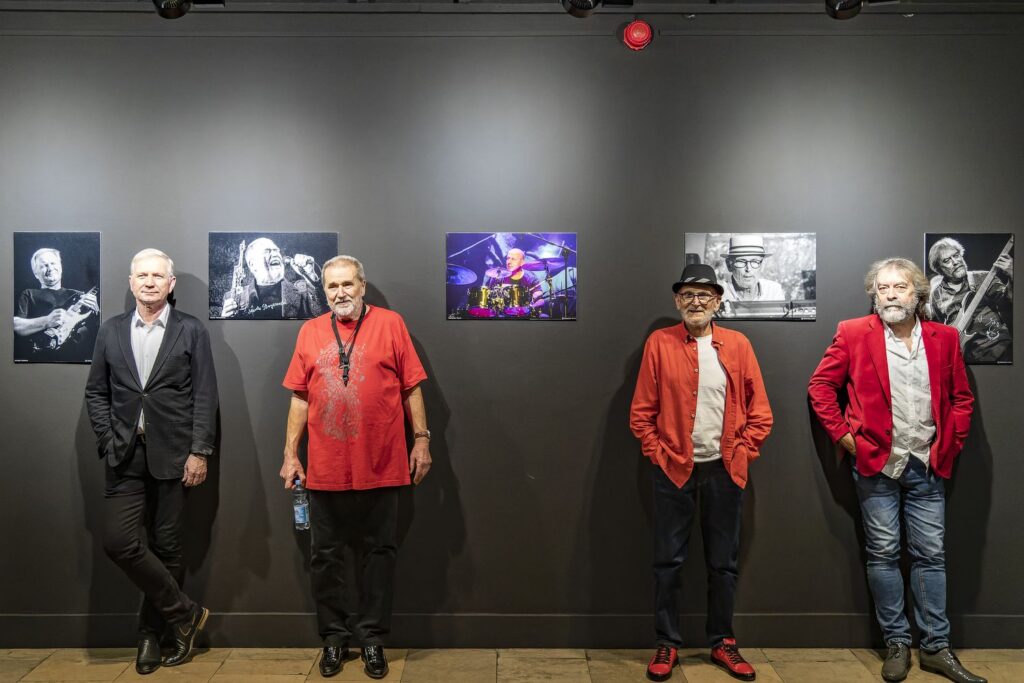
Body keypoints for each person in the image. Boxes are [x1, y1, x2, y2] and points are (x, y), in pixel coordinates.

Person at [808, 258, 983, 683]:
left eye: (899, 287)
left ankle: (937, 647)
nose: (889, 295)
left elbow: (961, 399)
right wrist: (845, 438)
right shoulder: (853, 333)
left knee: (931, 556)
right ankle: (897, 643)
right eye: (882, 288)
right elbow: (820, 387)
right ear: (874, 295)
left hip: (928, 464)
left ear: (917, 293)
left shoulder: (945, 337)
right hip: (875, 465)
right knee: (883, 554)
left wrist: (952, 443)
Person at [279, 255, 431, 679]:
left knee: (379, 555)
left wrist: (421, 439)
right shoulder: (310, 331)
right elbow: (299, 396)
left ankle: (372, 639)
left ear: (362, 285)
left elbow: (411, 386)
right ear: (324, 291)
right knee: (324, 557)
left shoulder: (391, 324)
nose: (341, 292)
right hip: (325, 467)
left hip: (382, 462)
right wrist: (291, 453)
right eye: (332, 286)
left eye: (348, 284)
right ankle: (333, 638)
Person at [630, 263, 772, 682]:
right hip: (673, 469)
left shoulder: (738, 344)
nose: (696, 302)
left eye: (704, 295)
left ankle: (723, 642)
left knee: (723, 564)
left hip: (725, 470)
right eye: (688, 295)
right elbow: (641, 413)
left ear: (717, 301)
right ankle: (667, 642)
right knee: (667, 562)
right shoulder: (659, 343)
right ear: (678, 301)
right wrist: (658, 453)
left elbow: (761, 412)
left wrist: (744, 452)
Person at [84, 248, 218, 675]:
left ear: (170, 283)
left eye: (157, 276)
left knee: (168, 548)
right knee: (118, 541)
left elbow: (205, 395)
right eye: (141, 275)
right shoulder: (111, 330)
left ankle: (150, 636)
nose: (149, 282)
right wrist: (107, 437)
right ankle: (185, 613)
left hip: (175, 454)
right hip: (124, 453)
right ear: (131, 282)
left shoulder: (190, 330)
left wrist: (199, 451)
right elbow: (96, 391)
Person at [926, 237, 1012, 363]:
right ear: (939, 269)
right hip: (966, 359)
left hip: (999, 349)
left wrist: (1012, 275)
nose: (955, 262)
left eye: (956, 255)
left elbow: (1009, 302)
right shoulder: (936, 295)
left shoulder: (983, 277)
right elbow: (939, 329)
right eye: (947, 260)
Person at [13, 247, 99, 360]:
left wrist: (97, 312)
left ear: (61, 267)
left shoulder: (79, 295)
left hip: (76, 360)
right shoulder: (28, 294)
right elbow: (15, 325)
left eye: (53, 263)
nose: (50, 268)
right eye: (43, 266)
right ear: (36, 274)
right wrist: (46, 321)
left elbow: (97, 333)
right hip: (39, 360)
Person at [221, 237, 326, 318]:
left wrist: (311, 275)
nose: (276, 254)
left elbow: (324, 316)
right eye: (267, 251)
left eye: (276, 250)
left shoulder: (304, 291)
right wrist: (224, 321)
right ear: (252, 264)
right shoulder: (231, 297)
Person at [718, 235, 785, 303]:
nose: (748, 269)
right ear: (729, 265)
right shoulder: (717, 293)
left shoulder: (774, 291)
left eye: (755, 261)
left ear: (762, 265)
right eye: (741, 261)